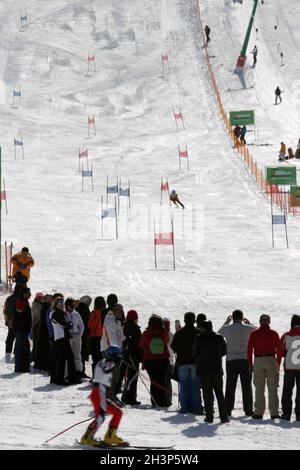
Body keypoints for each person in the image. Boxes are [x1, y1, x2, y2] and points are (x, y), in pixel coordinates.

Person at [80, 345, 127, 447]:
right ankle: (87, 437)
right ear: (113, 356)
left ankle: (110, 436)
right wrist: (115, 364)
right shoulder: (108, 363)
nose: (120, 358)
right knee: (100, 416)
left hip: (102, 393)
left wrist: (113, 398)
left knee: (118, 413)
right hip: (99, 392)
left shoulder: (104, 362)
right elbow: (106, 370)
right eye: (118, 356)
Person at [218, 310, 256, 417]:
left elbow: (219, 332)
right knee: (246, 386)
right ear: (242, 317)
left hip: (231, 360)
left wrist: (226, 322)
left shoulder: (228, 328)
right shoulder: (248, 328)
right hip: (245, 360)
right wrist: (249, 323)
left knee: (230, 385)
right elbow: (257, 330)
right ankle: (248, 410)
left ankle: (228, 409)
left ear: (233, 317)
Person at [193, 321, 229, 424]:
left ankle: (209, 417)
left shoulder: (199, 338)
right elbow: (224, 352)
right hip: (217, 369)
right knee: (219, 394)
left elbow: (195, 352)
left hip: (204, 370)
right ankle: (224, 417)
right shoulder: (219, 337)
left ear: (203, 328)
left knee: (207, 395)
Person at [247, 314, 281, 419]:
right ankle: (274, 412)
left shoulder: (254, 333)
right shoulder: (274, 333)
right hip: (271, 360)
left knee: (259, 387)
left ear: (260, 321)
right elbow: (279, 351)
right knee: (273, 388)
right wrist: (278, 364)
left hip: (258, 360)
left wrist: (250, 364)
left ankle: (258, 412)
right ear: (269, 322)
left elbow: (249, 350)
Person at [171, 312, 203, 414]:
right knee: (195, 386)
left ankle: (184, 408)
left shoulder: (179, 333)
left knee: (183, 385)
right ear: (194, 321)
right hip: (194, 362)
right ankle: (197, 409)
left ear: (184, 320)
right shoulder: (198, 332)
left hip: (182, 362)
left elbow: (173, 347)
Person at [139, 315, 170, 407]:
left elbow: (141, 345)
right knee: (162, 381)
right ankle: (163, 401)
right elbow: (167, 341)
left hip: (150, 360)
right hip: (163, 359)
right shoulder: (163, 332)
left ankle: (155, 402)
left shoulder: (146, 333)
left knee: (154, 381)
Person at [101, 303, 125, 404]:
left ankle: (111, 396)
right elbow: (112, 339)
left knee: (116, 374)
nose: (120, 313)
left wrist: (126, 339)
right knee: (113, 374)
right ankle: (109, 398)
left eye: (121, 311)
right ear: (114, 311)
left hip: (113, 349)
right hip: (109, 350)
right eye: (118, 311)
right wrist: (119, 351)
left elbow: (120, 336)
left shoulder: (116, 321)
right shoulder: (110, 321)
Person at [50, 297, 77, 385]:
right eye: (59, 304)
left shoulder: (62, 313)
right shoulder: (55, 314)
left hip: (65, 338)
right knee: (61, 359)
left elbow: (67, 323)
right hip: (60, 339)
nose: (62, 305)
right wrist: (69, 324)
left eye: (62, 303)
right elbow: (63, 324)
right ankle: (58, 379)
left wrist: (69, 324)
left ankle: (72, 377)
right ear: (56, 304)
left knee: (70, 358)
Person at [280, 315, 300, 421]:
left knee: (287, 390)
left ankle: (286, 413)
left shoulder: (286, 335)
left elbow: (281, 352)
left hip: (289, 367)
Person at [121, 310, 142, 405]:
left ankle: (124, 396)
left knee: (124, 376)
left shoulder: (123, 326)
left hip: (123, 354)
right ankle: (130, 397)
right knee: (132, 377)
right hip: (133, 356)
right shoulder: (136, 330)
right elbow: (139, 345)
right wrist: (141, 357)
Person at [12, 286, 32, 373]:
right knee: (21, 349)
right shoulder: (20, 301)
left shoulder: (24, 301)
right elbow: (19, 312)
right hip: (20, 330)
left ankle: (24, 367)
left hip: (24, 329)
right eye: (28, 293)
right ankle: (20, 368)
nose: (30, 294)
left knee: (25, 348)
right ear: (24, 294)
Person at [65, 298, 84, 383]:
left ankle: (78, 374)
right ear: (67, 306)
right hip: (68, 336)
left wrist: (79, 335)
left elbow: (81, 325)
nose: (73, 307)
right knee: (68, 356)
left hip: (76, 335)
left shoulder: (76, 314)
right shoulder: (64, 314)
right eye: (71, 306)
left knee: (77, 355)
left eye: (74, 305)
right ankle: (67, 374)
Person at [3, 283, 22, 358]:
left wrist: (7, 320)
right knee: (18, 338)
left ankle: (7, 353)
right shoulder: (21, 299)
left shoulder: (9, 298)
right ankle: (15, 354)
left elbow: (5, 310)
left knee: (10, 338)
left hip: (10, 321)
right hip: (19, 322)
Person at [88, 296, 106, 376]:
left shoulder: (94, 313)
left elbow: (89, 326)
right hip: (103, 338)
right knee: (102, 358)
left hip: (94, 337)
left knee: (95, 358)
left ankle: (95, 377)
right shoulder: (105, 313)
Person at [76, 295, 92, 377]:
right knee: (82, 353)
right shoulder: (85, 310)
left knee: (79, 353)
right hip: (84, 334)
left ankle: (79, 370)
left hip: (78, 334)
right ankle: (81, 371)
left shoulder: (77, 309)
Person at [31, 292, 44, 363]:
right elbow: (36, 315)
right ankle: (34, 358)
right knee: (36, 342)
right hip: (36, 325)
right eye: (39, 297)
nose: (40, 298)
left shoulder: (40, 304)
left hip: (38, 325)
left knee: (37, 343)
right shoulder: (36, 304)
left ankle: (35, 357)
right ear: (36, 298)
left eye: (41, 297)